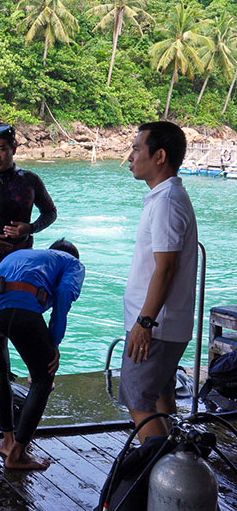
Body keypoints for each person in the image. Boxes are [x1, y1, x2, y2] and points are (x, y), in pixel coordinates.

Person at [0, 239, 85, 469]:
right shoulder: (72, 263)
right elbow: (64, 293)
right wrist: (53, 343)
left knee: (0, 368)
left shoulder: (23, 255)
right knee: (44, 378)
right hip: (19, 309)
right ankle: (17, 455)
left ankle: (7, 441)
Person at [119, 121, 198, 442]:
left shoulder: (166, 203)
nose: (131, 157)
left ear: (160, 156)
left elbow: (165, 269)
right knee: (160, 399)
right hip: (163, 325)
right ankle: (172, 472)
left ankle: (154, 472)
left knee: (138, 400)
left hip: (157, 327)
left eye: (137, 149)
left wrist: (145, 322)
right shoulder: (165, 197)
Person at [0, 123, 57, 379]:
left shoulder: (30, 180)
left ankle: (4, 369)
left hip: (22, 265)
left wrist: (29, 228)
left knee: (18, 315)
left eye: (2, 149)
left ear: (14, 149)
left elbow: (50, 212)